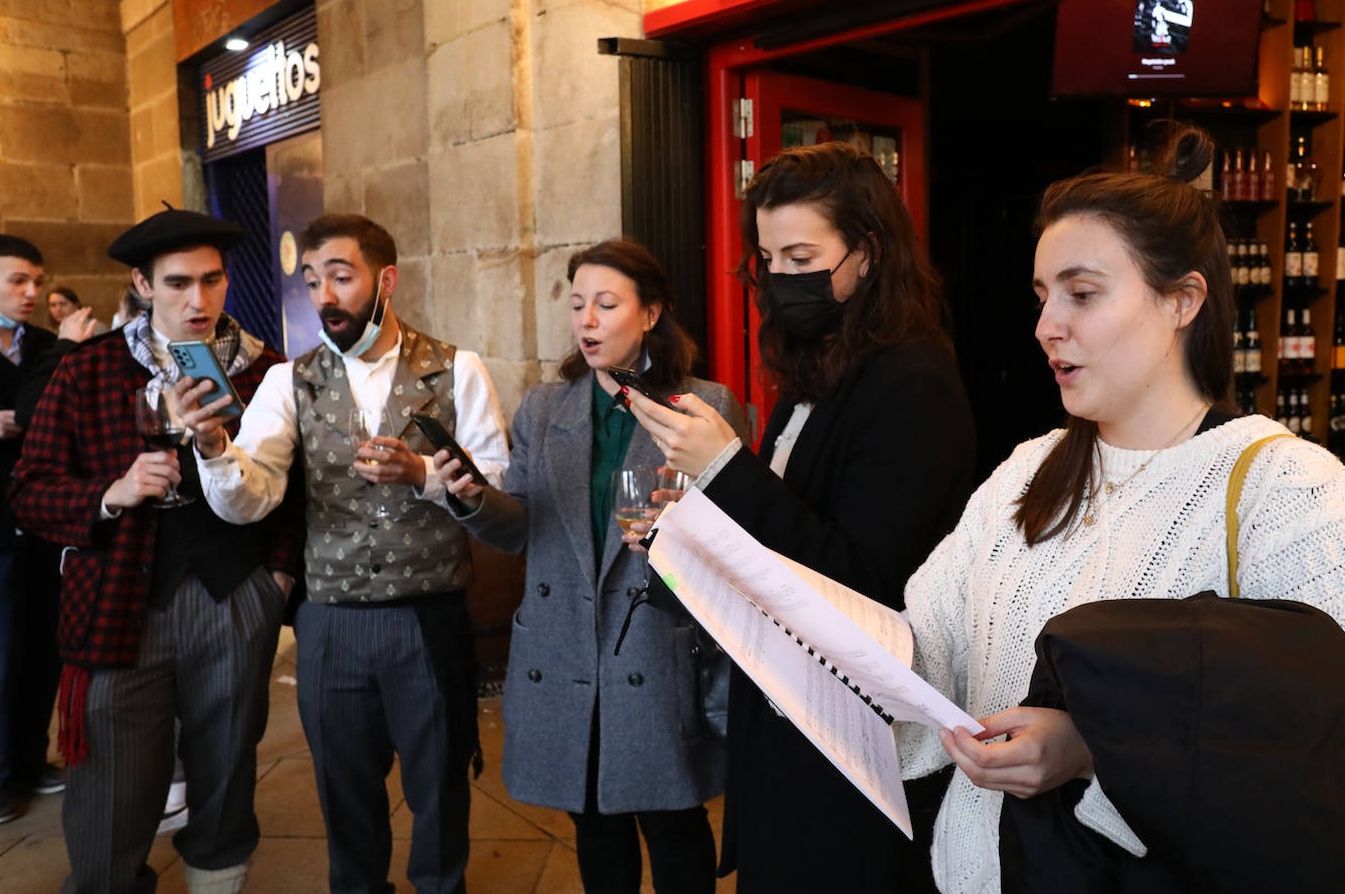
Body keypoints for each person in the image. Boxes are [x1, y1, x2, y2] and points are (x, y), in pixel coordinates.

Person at [894, 123, 1345, 893]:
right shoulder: (1024, 474)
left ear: (1182, 301)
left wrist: (1093, 748)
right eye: (1042, 297)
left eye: (1083, 293)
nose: (1046, 327)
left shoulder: (1288, 489)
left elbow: (1308, 734)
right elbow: (925, 649)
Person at [627, 142, 977, 892]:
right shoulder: (817, 365)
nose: (780, 278)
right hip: (784, 719)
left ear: (867, 255)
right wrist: (683, 534)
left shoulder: (914, 381)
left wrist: (725, 469)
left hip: (856, 743)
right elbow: (775, 542)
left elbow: (864, 580)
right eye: (767, 258)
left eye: (800, 256)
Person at [182, 213, 510, 894]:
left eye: (340, 275)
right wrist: (215, 452)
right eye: (311, 281)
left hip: (430, 616)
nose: (324, 295)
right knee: (345, 795)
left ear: (384, 280)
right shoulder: (287, 383)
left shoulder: (457, 369)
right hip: (331, 623)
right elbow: (254, 496)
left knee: (440, 789)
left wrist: (424, 477)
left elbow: (497, 495)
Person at [9, 207, 304, 892]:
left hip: (233, 597)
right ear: (142, 284)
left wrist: (276, 582)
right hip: (116, 602)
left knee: (227, 771)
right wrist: (110, 493)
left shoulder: (269, 373)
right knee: (109, 785)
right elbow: (27, 492)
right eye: (177, 283)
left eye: (211, 280)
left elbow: (299, 497)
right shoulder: (86, 373)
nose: (197, 301)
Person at [441, 239, 744, 894]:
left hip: (654, 641)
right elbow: (522, 527)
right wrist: (470, 498)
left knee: (671, 821)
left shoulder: (705, 406)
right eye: (578, 304)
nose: (587, 320)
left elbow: (735, 540)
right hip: (566, 646)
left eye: (607, 304)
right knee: (594, 823)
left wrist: (677, 536)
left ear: (651, 313)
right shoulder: (546, 407)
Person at [0, 235, 82, 825]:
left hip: (41, 524)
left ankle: (27, 762)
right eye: (17, 281)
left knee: (44, 648)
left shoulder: (47, 345)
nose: (31, 293)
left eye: (37, 281)